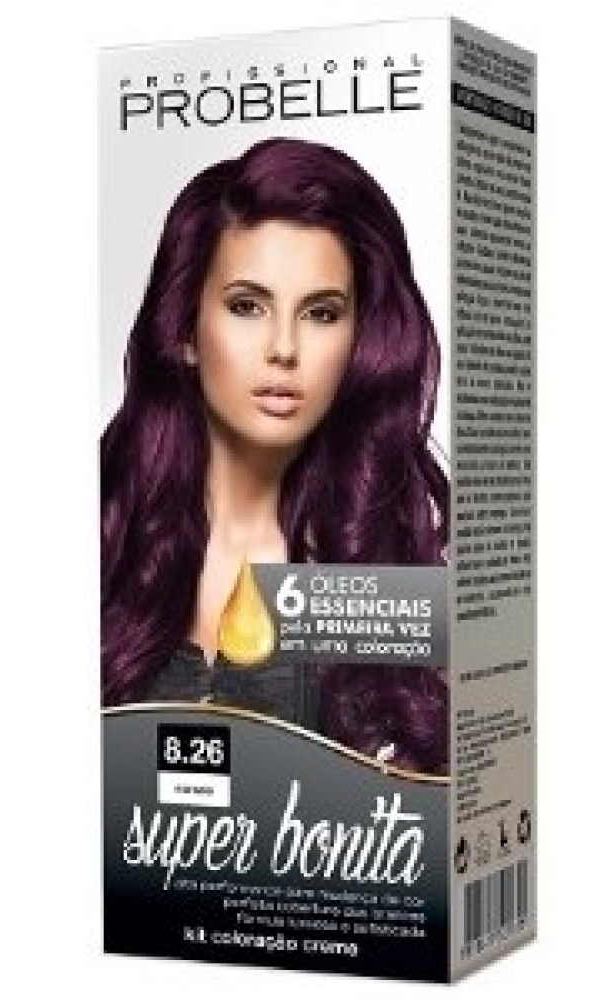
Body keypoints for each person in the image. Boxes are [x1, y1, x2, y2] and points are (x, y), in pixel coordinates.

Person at [101, 137, 449, 774]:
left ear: (358, 342)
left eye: (321, 313)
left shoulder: (392, 577)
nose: (284, 348)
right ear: (184, 329)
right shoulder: (104, 534)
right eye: (247, 307)